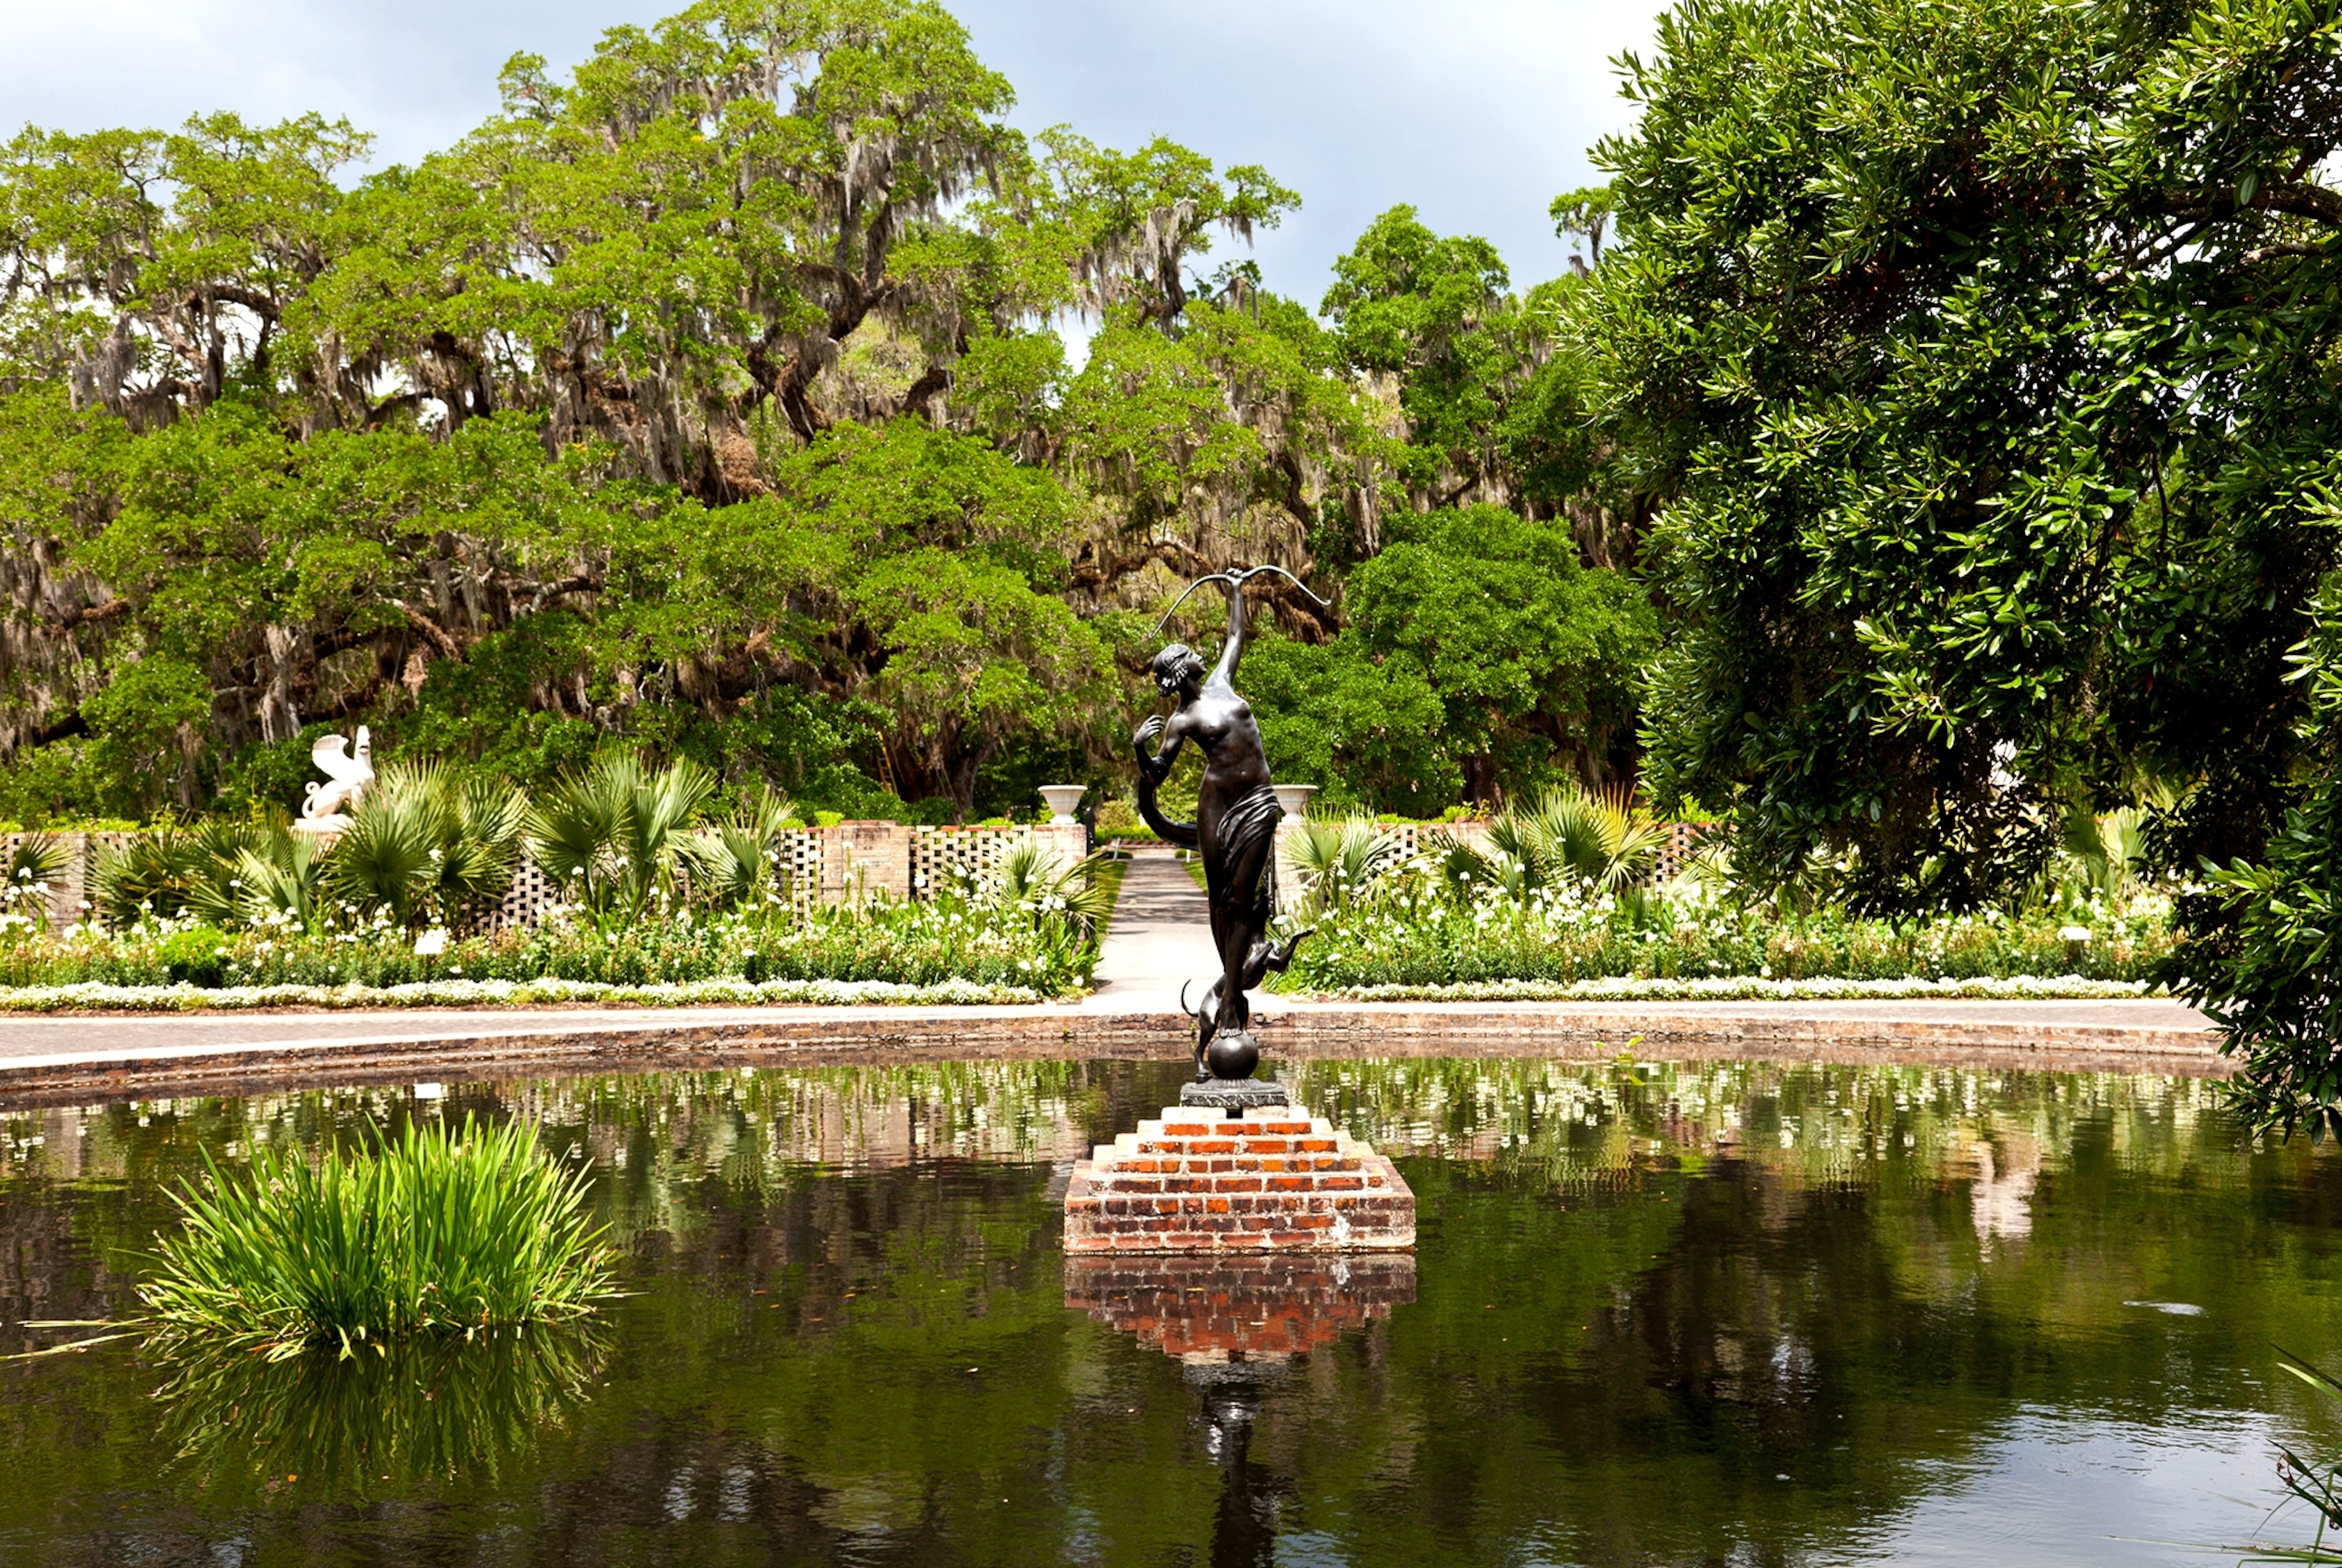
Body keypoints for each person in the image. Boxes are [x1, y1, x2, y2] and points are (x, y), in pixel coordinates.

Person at [1134, 567, 1311, 1078]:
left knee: (1247, 899)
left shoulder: (1221, 681)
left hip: (1257, 802)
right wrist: (1140, 751)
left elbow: (1236, 635)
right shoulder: (1180, 722)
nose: (1193, 659)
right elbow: (1157, 778)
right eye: (1183, 661)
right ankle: (1230, 1009)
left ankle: (1232, 995)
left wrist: (1234, 591)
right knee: (1226, 903)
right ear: (1178, 675)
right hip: (1216, 809)